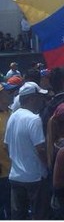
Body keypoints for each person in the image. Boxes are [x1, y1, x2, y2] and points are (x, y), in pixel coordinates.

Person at [4, 81, 51, 219]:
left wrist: (18, 161)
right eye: (40, 97)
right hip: (35, 178)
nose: (42, 101)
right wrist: (48, 167)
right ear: (32, 98)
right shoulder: (33, 119)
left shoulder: (13, 115)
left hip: (15, 176)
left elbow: (6, 146)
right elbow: (41, 149)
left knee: (19, 216)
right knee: (40, 215)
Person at [0, 82, 17, 219]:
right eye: (9, 92)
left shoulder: (11, 113)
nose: (13, 94)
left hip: (13, 170)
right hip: (2, 171)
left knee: (12, 209)